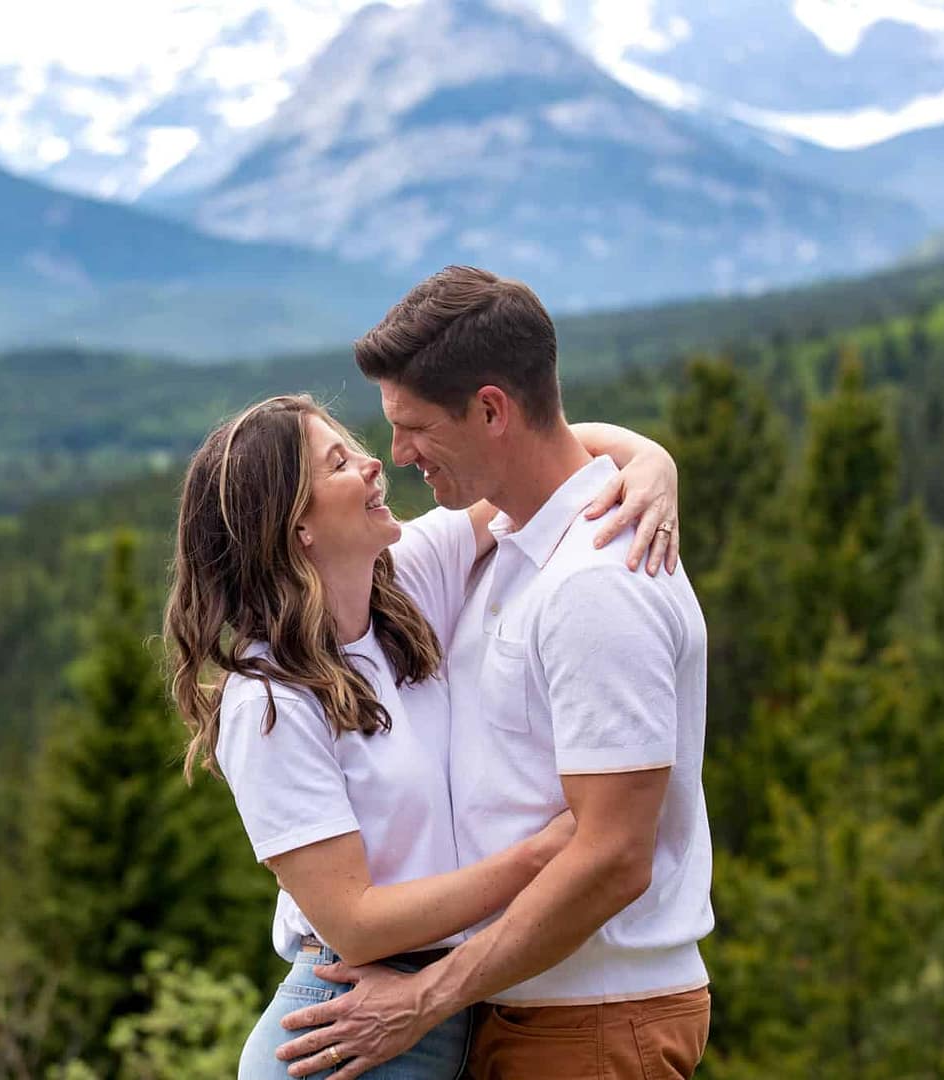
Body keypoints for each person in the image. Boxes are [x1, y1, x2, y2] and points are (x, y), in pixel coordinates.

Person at [273, 267, 713, 1080]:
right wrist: (646, 452)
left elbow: (616, 856)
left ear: (490, 410)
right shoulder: (504, 550)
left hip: (591, 1019)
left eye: (413, 428)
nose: (395, 458)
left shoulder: (596, 584)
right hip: (514, 1006)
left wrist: (426, 998)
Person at [164, 393, 682, 1079]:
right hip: (347, 1027)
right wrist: (545, 855)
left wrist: (651, 461)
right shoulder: (269, 703)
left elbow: (536, 459)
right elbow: (355, 922)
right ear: (298, 527)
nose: (377, 464)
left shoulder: (408, 580)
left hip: (441, 1008)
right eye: (340, 462)